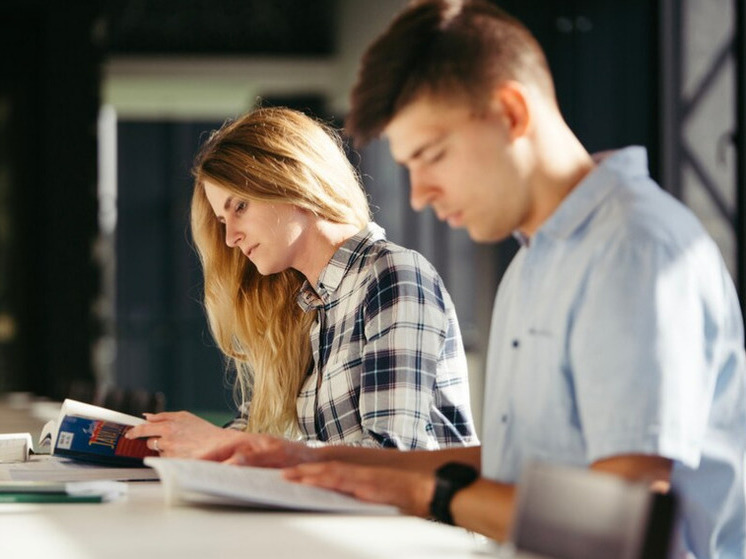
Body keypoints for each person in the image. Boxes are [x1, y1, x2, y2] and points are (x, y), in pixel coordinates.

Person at [200, 2, 746, 558]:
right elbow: (517, 465)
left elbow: (627, 518)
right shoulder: (535, 262)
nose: (418, 195)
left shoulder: (633, 251)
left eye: (431, 155)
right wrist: (308, 461)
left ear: (510, 112)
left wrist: (425, 494)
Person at [126, 106, 478, 456]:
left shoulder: (391, 275)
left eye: (240, 206)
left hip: (410, 515)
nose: (231, 237)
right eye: (222, 220)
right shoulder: (304, 305)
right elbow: (253, 434)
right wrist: (166, 444)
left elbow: (394, 457)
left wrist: (224, 445)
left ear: (292, 181)